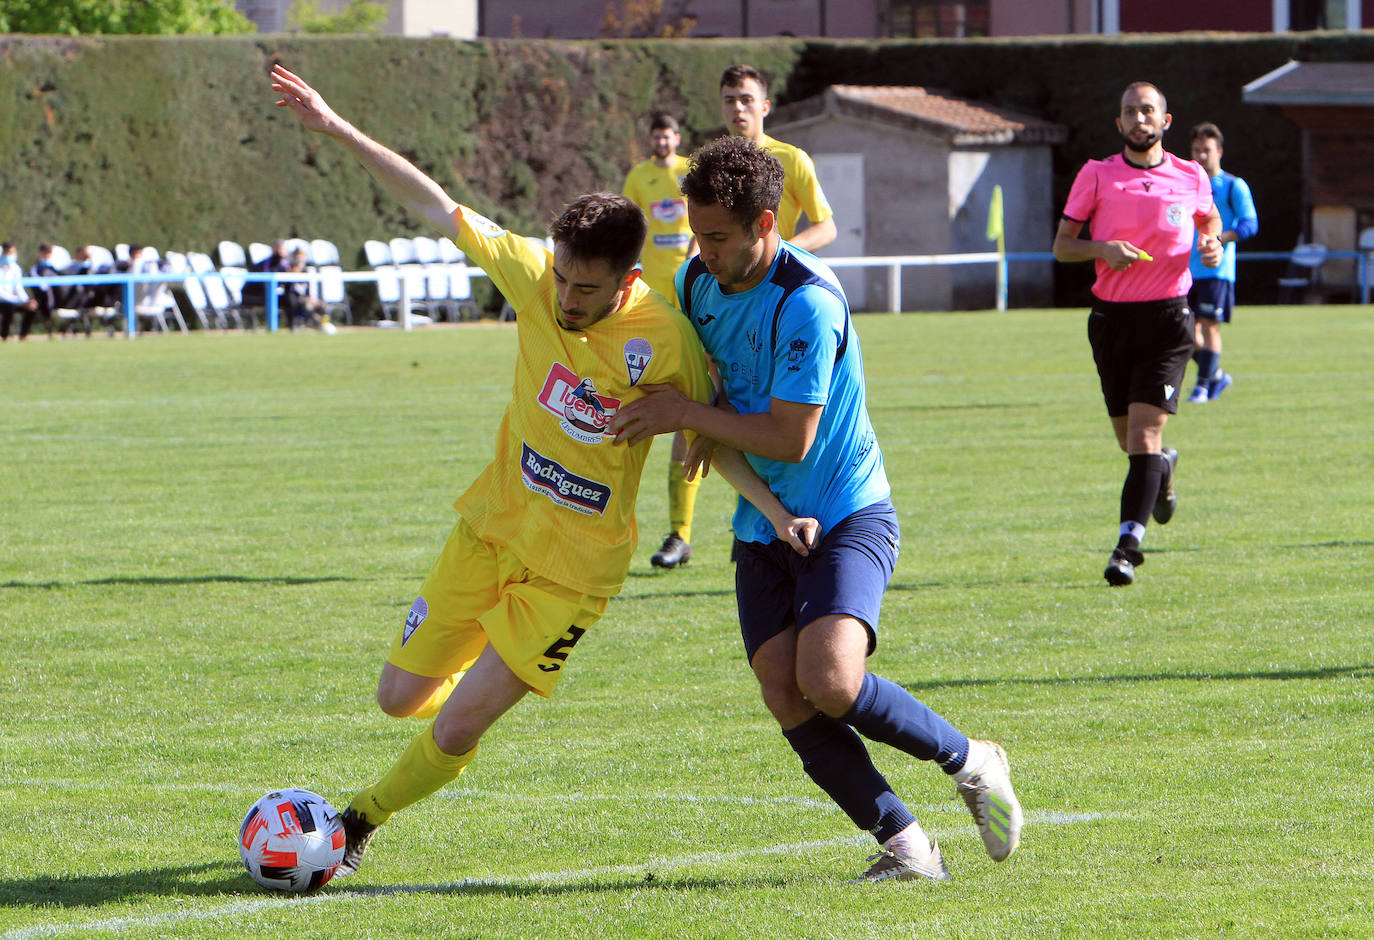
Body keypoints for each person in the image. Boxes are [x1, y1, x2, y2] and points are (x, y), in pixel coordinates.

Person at [268, 64, 818, 879]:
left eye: (585, 288)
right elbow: (434, 204)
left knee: (458, 726)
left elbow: (709, 438)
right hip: (491, 528)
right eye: (560, 276)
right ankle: (472, 669)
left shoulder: (667, 340)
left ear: (628, 280)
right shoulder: (533, 275)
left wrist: (773, 513)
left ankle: (356, 827)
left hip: (572, 573)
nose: (564, 297)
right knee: (397, 698)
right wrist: (335, 126)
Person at [609, 136, 1023, 883]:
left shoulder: (809, 301)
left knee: (830, 680)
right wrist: (732, 465)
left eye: (717, 236)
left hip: (845, 511)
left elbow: (791, 437)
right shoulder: (698, 284)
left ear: (765, 224)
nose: (702, 251)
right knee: (782, 687)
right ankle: (907, 847)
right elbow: (711, 412)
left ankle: (972, 760)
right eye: (697, 233)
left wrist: (689, 416)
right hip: (765, 520)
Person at [1052, 82, 1223, 586]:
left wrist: (1212, 242)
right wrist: (1101, 248)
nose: (1139, 118)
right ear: (1119, 123)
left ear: (1165, 121)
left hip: (1169, 319)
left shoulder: (1190, 175)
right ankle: (1162, 470)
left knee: (1145, 433)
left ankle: (1127, 548)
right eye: (1130, 111)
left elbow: (1208, 217)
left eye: (1147, 110)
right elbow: (1063, 246)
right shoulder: (1096, 174)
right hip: (1111, 321)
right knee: (1131, 443)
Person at [621, 113, 701, 569]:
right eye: (657, 135)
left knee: (703, 411)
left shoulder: (691, 172)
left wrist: (695, 261)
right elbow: (629, 229)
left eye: (668, 134)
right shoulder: (639, 177)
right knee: (629, 400)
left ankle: (689, 531)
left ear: (677, 137)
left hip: (695, 297)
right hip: (648, 304)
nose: (663, 140)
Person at [1185, 123, 1257, 404]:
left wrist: (1218, 239)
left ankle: (1202, 387)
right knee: (1183, 331)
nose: (1201, 155)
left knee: (1209, 325)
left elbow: (1250, 224)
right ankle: (1216, 376)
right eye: (1196, 150)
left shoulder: (1232, 185)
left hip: (1216, 269)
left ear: (1219, 152)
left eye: (1207, 150)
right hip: (1184, 271)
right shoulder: (1187, 186)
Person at [0, 242, 40, 342]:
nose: (13, 254)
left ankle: (23, 336)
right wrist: (17, 301)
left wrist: (26, 301)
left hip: (13, 301)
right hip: (3, 302)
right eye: (10, 252)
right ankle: (4, 336)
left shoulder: (15, 268)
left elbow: (18, 288)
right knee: (8, 307)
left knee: (32, 308)